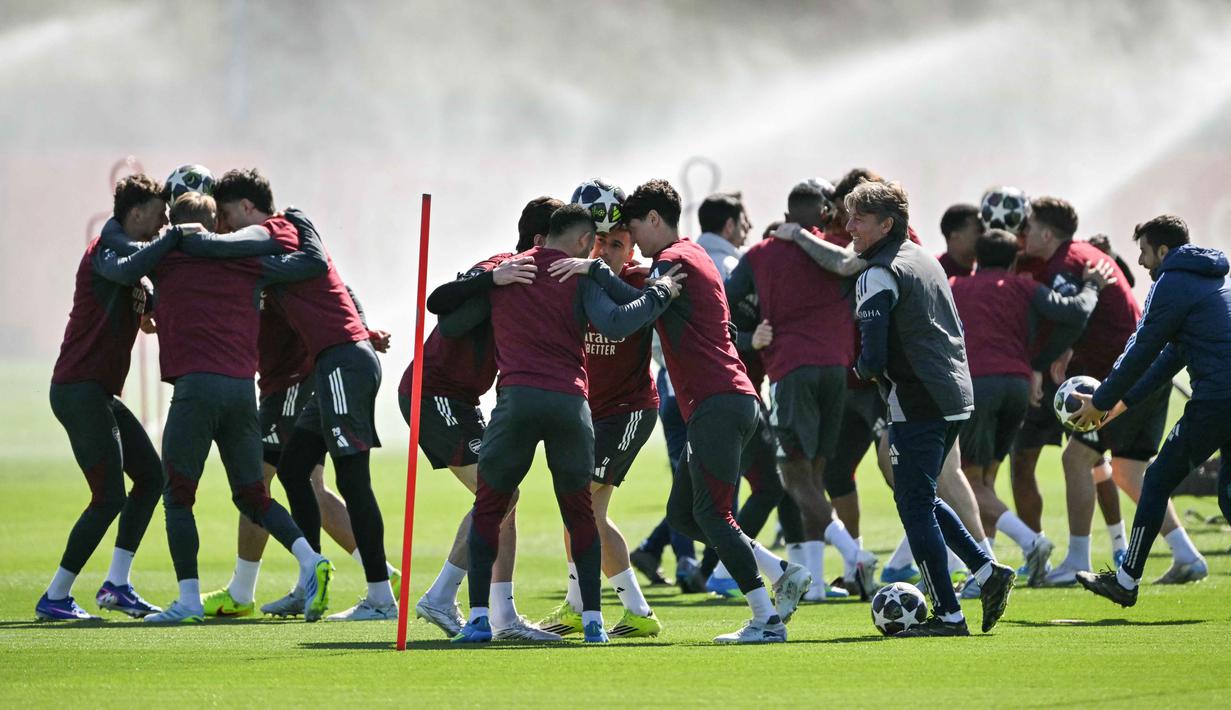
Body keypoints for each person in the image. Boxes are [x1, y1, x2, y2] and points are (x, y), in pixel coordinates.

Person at [449, 204, 682, 644]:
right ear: (581, 241)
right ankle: (594, 623)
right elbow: (615, 322)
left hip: (516, 400)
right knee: (579, 511)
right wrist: (661, 292)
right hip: (570, 404)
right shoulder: (578, 274)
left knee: (490, 506)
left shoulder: (507, 268)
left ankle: (479, 619)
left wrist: (486, 283)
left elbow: (447, 310)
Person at [177, 168, 396, 620]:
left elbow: (255, 254)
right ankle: (309, 580)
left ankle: (380, 596)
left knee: (352, 480)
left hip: (340, 362)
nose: (229, 228)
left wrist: (191, 242)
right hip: (331, 364)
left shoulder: (279, 228)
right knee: (296, 472)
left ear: (245, 208)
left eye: (228, 216)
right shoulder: (285, 241)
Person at [623, 179, 810, 644]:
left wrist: (594, 274)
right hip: (731, 398)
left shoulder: (673, 261)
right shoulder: (695, 253)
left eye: (633, 231)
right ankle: (779, 570)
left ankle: (765, 618)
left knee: (713, 515)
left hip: (716, 401)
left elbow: (637, 312)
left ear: (652, 220)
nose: (632, 244)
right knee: (685, 515)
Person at [142, 193, 335, 623]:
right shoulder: (245, 263)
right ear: (217, 225)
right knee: (253, 495)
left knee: (177, 495)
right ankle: (309, 559)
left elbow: (120, 268)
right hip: (242, 392)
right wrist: (301, 222)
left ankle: (188, 601)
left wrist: (152, 300)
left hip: (194, 390)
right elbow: (308, 264)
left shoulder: (167, 259)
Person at [843, 179, 1015, 636]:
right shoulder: (922, 258)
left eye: (859, 218)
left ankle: (949, 614)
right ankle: (985, 570)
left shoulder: (877, 273)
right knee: (924, 497)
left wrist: (863, 369)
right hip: (955, 396)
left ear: (887, 223)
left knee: (914, 505)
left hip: (918, 399)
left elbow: (873, 357)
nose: (849, 226)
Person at [1020, 198, 1204, 585]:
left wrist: (1042, 363)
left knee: (1076, 458)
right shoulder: (1081, 254)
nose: (1024, 234)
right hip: (1151, 374)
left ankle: (1076, 560)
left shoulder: (1066, 263)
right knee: (1127, 470)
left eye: (1030, 227)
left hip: (1125, 376)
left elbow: (1075, 314)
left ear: (1048, 233)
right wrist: (1070, 346)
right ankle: (1187, 555)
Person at [409, 196, 558, 640]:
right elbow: (441, 305)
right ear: (538, 240)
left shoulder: (537, 281)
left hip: (463, 400)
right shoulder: (502, 265)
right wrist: (494, 279)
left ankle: (504, 617)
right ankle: (441, 598)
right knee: (501, 494)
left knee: (505, 501)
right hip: (433, 393)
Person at [726, 179, 876, 601]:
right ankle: (813, 585)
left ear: (789, 212)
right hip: (836, 372)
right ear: (826, 211)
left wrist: (748, 336)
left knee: (794, 476)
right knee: (813, 474)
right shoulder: (835, 250)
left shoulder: (761, 253)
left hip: (792, 370)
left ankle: (853, 553)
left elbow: (721, 302)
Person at [38, 174, 177, 621]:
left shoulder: (130, 253)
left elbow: (146, 294)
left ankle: (117, 585)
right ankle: (56, 596)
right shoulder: (108, 249)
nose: (163, 225)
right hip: (79, 390)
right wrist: (177, 238)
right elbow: (123, 270)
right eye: (158, 217)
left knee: (151, 477)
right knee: (108, 497)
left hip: (97, 393)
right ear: (135, 213)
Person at [1072, 215, 1230, 605]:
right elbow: (1166, 362)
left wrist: (1101, 401)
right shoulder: (1206, 279)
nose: (1140, 262)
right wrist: (1114, 407)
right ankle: (1126, 580)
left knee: (1157, 478)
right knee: (1227, 497)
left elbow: (1141, 350)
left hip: (1218, 399)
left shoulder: (1172, 282)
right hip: (1223, 396)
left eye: (1143, 251)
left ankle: (1125, 581)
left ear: (1163, 250)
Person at [950, 229, 1115, 586]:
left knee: (964, 480)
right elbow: (1074, 311)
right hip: (1018, 386)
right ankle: (986, 569)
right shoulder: (1023, 287)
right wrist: (1092, 286)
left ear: (977, 259)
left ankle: (1032, 541)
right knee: (987, 481)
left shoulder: (955, 287)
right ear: (1013, 260)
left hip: (977, 386)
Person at [538, 192, 663, 638]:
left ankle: (633, 610)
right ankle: (588, 606)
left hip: (629, 410)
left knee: (583, 506)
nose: (605, 252)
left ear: (631, 248)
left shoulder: (639, 280)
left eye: (616, 244)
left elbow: (645, 310)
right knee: (584, 510)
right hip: (591, 413)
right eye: (600, 242)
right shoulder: (578, 278)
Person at [938, 203, 981, 279]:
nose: (985, 235)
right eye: (978, 230)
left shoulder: (985, 272)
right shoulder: (933, 270)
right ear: (954, 235)